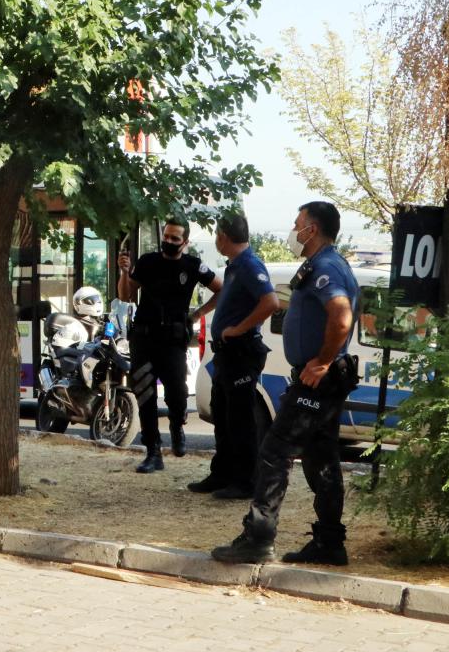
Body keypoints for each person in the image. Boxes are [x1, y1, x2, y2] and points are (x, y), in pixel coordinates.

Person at [212, 202, 360, 566]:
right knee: (321, 460)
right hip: (323, 379)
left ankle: (258, 537)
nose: (293, 231)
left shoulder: (327, 266)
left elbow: (341, 316)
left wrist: (322, 361)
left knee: (274, 450)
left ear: (312, 229)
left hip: (319, 379)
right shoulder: (324, 264)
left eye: (297, 224)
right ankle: (329, 543)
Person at [117, 218, 221, 473]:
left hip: (174, 342)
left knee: (177, 394)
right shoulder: (148, 262)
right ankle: (153, 452)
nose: (169, 242)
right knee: (145, 395)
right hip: (144, 338)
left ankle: (177, 425)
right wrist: (124, 273)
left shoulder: (193, 265)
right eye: (167, 236)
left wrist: (197, 315)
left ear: (185, 242)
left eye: (175, 238)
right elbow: (125, 295)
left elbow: (221, 289)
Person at [187, 213, 279, 500]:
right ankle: (222, 473)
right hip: (226, 355)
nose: (216, 240)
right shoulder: (233, 268)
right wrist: (201, 313)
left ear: (223, 236)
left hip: (242, 352)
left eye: (216, 234)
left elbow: (271, 302)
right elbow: (228, 296)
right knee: (223, 415)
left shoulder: (250, 266)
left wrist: (238, 329)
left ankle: (245, 481)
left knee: (241, 420)